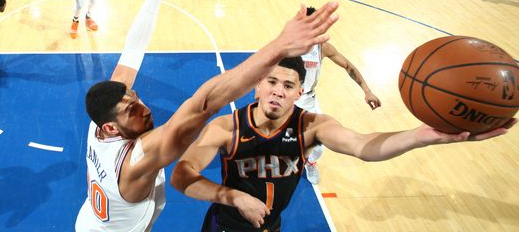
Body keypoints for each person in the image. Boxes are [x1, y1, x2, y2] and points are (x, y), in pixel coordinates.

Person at [76, 0, 340, 230]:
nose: (144, 108)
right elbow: (203, 105)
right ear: (112, 127)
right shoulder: (137, 160)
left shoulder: (99, 121)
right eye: (132, 111)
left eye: (135, 99)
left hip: (90, 220)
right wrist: (278, 48)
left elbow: (132, 52)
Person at [171, 58, 515, 232]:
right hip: (227, 224)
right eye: (271, 82)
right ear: (257, 87)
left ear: (300, 92)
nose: (278, 90)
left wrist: (423, 136)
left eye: (288, 85)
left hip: (271, 224)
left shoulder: (311, 126)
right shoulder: (226, 128)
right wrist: (235, 196)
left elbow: (363, 146)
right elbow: (182, 176)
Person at [295, 6, 381, 185]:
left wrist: (367, 91)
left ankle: (310, 162)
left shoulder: (322, 48)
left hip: (309, 101)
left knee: (319, 142)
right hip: (288, 102)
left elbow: (348, 66)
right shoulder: (290, 46)